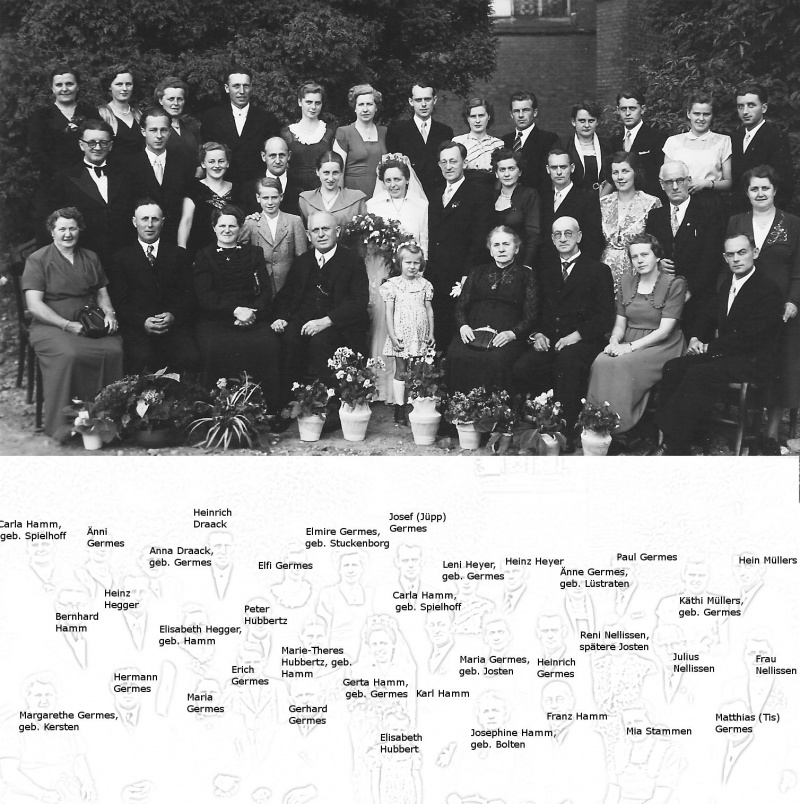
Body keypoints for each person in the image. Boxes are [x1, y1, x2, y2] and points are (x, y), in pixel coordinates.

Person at [655, 234, 783, 455]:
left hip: (753, 361)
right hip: (726, 354)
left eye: (742, 252)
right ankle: (680, 439)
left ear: (755, 253)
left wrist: (709, 348)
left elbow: (750, 338)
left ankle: (673, 446)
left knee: (699, 373)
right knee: (673, 368)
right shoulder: (728, 284)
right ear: (725, 258)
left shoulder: (768, 290)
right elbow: (707, 315)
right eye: (730, 254)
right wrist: (696, 337)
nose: (736, 259)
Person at [21, 207, 123, 437]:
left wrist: (109, 313)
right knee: (70, 354)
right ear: (52, 232)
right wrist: (65, 325)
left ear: (80, 230)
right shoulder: (38, 260)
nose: (67, 234)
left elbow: (101, 293)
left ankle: (106, 422)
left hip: (88, 321)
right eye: (62, 229)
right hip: (50, 325)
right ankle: (66, 426)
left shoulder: (90, 257)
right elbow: (35, 305)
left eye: (72, 228)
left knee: (114, 349)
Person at [512, 216, 615, 442]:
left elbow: (606, 316)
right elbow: (536, 311)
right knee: (523, 366)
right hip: (551, 340)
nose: (563, 238)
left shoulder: (598, 270)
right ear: (552, 239)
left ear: (579, 236)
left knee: (567, 363)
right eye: (557, 234)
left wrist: (578, 335)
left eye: (568, 233)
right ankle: (539, 422)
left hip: (585, 340)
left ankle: (565, 432)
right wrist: (537, 334)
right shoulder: (545, 272)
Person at [727, 165, 800, 450]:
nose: (760, 193)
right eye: (754, 188)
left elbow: (798, 270)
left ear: (775, 191)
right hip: (746, 309)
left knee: (780, 371)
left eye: (765, 188)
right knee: (746, 364)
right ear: (747, 192)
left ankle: (769, 436)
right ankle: (746, 430)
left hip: (783, 310)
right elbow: (728, 266)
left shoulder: (792, 223)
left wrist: (793, 301)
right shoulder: (737, 221)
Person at [587, 233, 686, 436]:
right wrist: (614, 341)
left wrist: (629, 347)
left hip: (662, 344)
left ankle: (619, 430)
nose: (639, 260)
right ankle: (597, 424)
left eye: (644, 254)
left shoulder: (674, 284)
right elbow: (620, 323)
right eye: (634, 257)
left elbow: (665, 330)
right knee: (601, 361)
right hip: (629, 339)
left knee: (623, 364)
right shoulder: (626, 282)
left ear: (657, 256)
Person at [271, 210, 369, 398]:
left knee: (320, 342)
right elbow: (286, 295)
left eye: (326, 228)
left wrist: (327, 321)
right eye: (315, 230)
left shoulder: (352, 260)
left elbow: (358, 301)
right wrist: (280, 317)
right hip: (304, 320)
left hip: (338, 324)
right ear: (308, 235)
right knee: (289, 338)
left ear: (337, 231)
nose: (321, 234)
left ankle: (330, 405)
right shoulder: (303, 261)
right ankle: (289, 402)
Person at [192, 205, 279, 405]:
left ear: (240, 228)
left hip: (252, 318)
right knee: (216, 346)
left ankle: (264, 407)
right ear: (214, 227)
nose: (227, 230)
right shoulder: (204, 256)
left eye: (232, 225)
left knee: (269, 344)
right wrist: (235, 311)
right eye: (222, 225)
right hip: (216, 319)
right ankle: (218, 407)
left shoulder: (254, 254)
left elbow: (265, 291)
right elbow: (205, 296)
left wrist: (251, 312)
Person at [108, 200, 200, 375]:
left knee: (190, 357)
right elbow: (120, 301)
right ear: (135, 222)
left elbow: (189, 295)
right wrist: (142, 321)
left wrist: (173, 315)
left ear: (163, 222)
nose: (149, 225)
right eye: (144, 219)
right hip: (138, 328)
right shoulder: (120, 258)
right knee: (142, 359)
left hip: (174, 326)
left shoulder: (178, 255)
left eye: (155, 219)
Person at [447, 226, 537, 394]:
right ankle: (459, 412)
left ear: (516, 248)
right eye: (496, 245)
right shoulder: (477, 272)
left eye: (506, 244)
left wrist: (512, 334)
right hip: (473, 332)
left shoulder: (527, 275)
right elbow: (461, 306)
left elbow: (531, 314)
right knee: (456, 354)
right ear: (490, 250)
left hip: (507, 336)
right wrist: (463, 327)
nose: (501, 249)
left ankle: (494, 415)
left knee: (496, 360)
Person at [645, 160, 726, 335]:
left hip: (698, 297)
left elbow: (712, 258)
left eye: (680, 180)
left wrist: (689, 290)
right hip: (661, 296)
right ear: (661, 184)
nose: (675, 187)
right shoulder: (655, 216)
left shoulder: (708, 213)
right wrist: (657, 263)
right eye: (669, 182)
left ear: (688, 180)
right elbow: (648, 251)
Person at [427, 141, 492, 348]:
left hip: (461, 272)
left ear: (464, 163)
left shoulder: (478, 194)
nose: (448, 166)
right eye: (444, 162)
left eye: (453, 161)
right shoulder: (434, 194)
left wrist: (467, 274)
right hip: (436, 272)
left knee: (458, 326)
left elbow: (480, 237)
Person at [49, 119, 137, 267]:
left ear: (110, 146)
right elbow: (54, 221)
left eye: (103, 142)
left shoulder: (127, 175)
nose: (97, 147)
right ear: (81, 145)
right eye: (91, 142)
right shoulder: (64, 178)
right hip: (84, 259)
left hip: (124, 258)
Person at [380, 243, 434, 423]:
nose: (412, 266)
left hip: (420, 335)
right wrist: (393, 336)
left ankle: (415, 404)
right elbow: (388, 312)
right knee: (401, 370)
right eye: (408, 262)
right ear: (399, 263)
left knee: (418, 370)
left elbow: (429, 310)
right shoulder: (393, 285)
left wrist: (431, 333)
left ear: (421, 264)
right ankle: (399, 406)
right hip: (401, 334)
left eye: (416, 263)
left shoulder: (425, 285)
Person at [199, 68, 281, 185]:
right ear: (227, 88)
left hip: (256, 186)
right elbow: (205, 153)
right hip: (222, 184)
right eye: (236, 86)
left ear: (251, 88)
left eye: (246, 86)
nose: (241, 91)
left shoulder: (267, 119)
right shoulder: (211, 118)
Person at [130, 108, 195, 245]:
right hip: (139, 241)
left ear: (170, 131)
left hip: (175, 239)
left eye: (163, 130)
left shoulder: (183, 163)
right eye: (153, 130)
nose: (159, 136)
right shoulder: (130, 165)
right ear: (143, 131)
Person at [600, 150, 662, 290]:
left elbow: (657, 243)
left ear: (635, 172)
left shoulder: (650, 203)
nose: (620, 177)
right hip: (605, 273)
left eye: (625, 171)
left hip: (638, 272)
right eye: (615, 172)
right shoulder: (603, 203)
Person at [730, 83, 795, 215]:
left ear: (764, 108)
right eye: (740, 106)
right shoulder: (735, 138)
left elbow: (783, 183)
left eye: (751, 105)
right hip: (737, 213)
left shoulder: (775, 137)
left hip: (765, 212)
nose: (745, 111)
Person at [385, 82, 454, 201]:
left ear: (435, 100)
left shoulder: (445, 131)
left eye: (427, 99)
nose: (423, 104)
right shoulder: (396, 131)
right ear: (411, 102)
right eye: (418, 100)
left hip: (438, 194)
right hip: (408, 196)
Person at [238, 176, 307, 294]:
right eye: (265, 198)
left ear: (281, 197)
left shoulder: (294, 221)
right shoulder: (250, 223)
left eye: (274, 197)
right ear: (258, 198)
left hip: (288, 283)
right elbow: (241, 255)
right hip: (260, 284)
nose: (270, 202)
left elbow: (302, 257)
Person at [663, 92, 732, 199]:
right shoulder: (673, 142)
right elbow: (667, 179)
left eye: (706, 114)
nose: (701, 118)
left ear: (712, 115)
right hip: (680, 200)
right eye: (696, 113)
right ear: (688, 114)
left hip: (711, 200)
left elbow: (728, 182)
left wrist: (707, 184)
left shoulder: (723, 141)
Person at [541, 149, 603, 261]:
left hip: (579, 265)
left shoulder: (587, 198)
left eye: (563, 167)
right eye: (554, 168)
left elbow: (593, 239)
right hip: (548, 266)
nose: (559, 172)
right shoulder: (543, 198)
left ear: (572, 168)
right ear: (548, 169)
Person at [179, 141, 238, 257]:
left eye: (221, 161)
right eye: (211, 161)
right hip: (201, 252)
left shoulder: (237, 189)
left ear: (227, 163)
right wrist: (181, 251)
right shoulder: (194, 188)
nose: (217, 165)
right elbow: (186, 221)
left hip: (232, 252)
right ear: (203, 164)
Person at [610, 89, 667, 200]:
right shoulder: (614, 141)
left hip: (650, 201)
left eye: (632, 108)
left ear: (642, 109)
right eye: (623, 109)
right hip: (622, 201)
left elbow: (661, 175)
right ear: (618, 110)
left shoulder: (657, 137)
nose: (627, 113)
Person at [280, 82, 336, 194]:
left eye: (317, 103)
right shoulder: (287, 134)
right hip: (293, 194)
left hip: (322, 193)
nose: (313, 107)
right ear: (300, 102)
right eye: (309, 102)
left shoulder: (330, 132)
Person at [501, 91, 560, 195]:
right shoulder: (505, 140)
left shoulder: (548, 139)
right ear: (511, 114)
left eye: (526, 110)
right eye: (516, 111)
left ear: (535, 112)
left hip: (538, 201)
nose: (520, 115)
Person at [334, 84, 387, 199]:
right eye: (361, 104)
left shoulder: (384, 132)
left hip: (380, 195)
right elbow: (338, 170)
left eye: (369, 104)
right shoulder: (344, 132)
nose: (365, 109)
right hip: (352, 196)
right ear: (355, 108)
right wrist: (340, 200)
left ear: (376, 107)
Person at [490, 147, 541, 267]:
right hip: (492, 262)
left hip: (520, 261)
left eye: (511, 169)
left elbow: (534, 234)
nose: (507, 174)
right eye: (502, 170)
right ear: (496, 173)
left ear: (520, 171)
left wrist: (526, 266)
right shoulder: (490, 197)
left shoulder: (529, 195)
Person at [298, 151, 366, 231]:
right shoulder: (305, 200)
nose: (330, 178)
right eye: (326, 173)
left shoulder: (356, 199)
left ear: (341, 172)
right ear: (317, 172)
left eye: (335, 173)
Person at [239, 136, 301, 216]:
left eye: (282, 155)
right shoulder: (249, 188)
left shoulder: (301, 187)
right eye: (273, 156)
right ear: (263, 156)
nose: (278, 161)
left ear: (289, 156)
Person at [154, 76, 202, 175]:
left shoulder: (191, 128)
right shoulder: (154, 128)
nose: (176, 103)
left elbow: (199, 156)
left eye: (179, 99)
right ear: (160, 101)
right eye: (171, 99)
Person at [96, 65, 143, 164]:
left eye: (128, 84)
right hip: (113, 172)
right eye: (119, 84)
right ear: (109, 86)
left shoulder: (139, 115)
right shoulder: (100, 114)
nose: (124, 88)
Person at [452, 97, 504, 187]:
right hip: (465, 191)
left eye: (481, 115)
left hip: (490, 192)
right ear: (467, 118)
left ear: (489, 116)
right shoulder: (458, 142)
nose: (477, 121)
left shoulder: (498, 144)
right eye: (473, 116)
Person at [566, 101, 611, 194]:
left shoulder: (608, 145)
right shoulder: (565, 145)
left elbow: (612, 175)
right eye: (582, 121)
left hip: (602, 197)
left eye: (591, 121)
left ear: (597, 122)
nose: (586, 125)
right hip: (574, 198)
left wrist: (602, 198)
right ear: (573, 122)